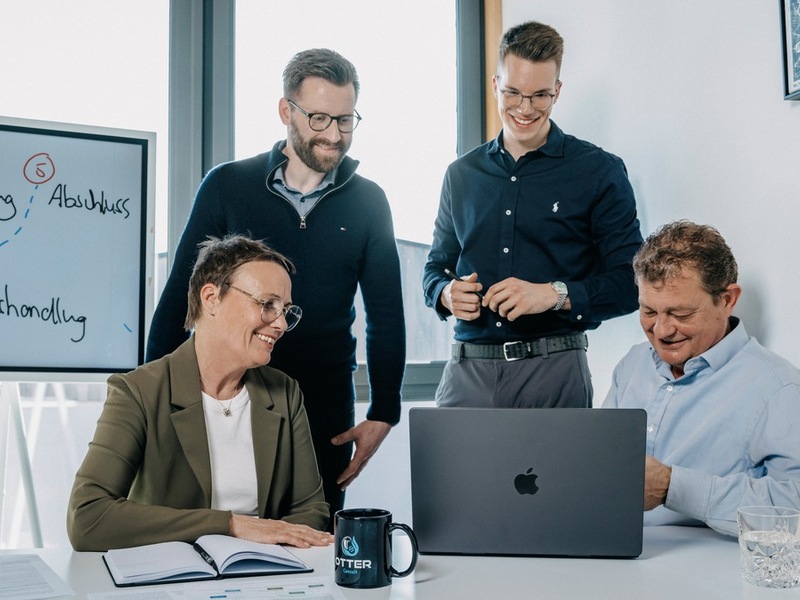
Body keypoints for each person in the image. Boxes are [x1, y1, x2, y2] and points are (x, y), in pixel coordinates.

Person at [144, 49, 406, 528]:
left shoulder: (370, 202)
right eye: (320, 118)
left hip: (323, 406)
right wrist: (149, 399)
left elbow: (386, 313)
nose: (334, 135)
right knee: (222, 535)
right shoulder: (228, 185)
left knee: (312, 544)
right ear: (287, 111)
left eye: (346, 120)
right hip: (225, 397)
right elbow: (180, 299)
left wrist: (384, 410)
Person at [423, 21, 642, 409]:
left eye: (540, 95)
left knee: (559, 474)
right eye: (513, 93)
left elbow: (630, 284)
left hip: (554, 371)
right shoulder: (460, 175)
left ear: (557, 91)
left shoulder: (599, 171)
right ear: (495, 86)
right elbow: (434, 269)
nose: (525, 109)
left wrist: (553, 295)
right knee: (450, 473)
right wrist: (446, 294)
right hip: (466, 374)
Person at [67, 235, 333, 551]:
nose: (280, 323)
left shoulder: (285, 392)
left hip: (263, 577)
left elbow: (311, 508)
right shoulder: (137, 391)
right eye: (267, 305)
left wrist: (261, 557)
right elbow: (88, 518)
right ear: (211, 298)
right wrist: (231, 525)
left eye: (286, 309)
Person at [603, 220, 800, 537]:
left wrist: (672, 487)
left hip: (707, 569)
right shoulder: (632, 364)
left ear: (727, 300)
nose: (662, 331)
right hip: (614, 547)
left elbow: (795, 508)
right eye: (649, 312)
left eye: (681, 315)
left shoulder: (778, 388)